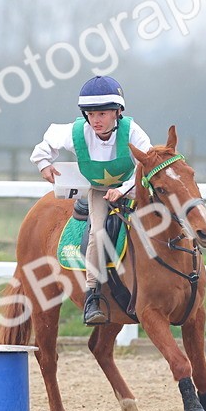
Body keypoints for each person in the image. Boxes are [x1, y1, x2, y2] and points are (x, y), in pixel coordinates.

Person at [31, 75, 151, 325]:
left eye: (103, 114)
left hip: (133, 188)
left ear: (118, 112)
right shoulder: (77, 133)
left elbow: (146, 164)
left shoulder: (133, 131)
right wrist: (43, 165)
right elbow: (45, 146)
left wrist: (125, 189)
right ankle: (93, 296)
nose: (96, 120)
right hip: (99, 192)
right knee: (98, 231)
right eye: (91, 114)